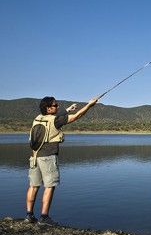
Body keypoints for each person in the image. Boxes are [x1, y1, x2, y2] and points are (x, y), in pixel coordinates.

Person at [24, 96, 99, 226]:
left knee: (33, 186)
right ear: (48, 108)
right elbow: (77, 116)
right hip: (48, 158)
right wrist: (89, 105)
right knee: (49, 187)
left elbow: (55, 115)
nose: (58, 107)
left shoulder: (37, 118)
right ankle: (44, 217)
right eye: (55, 105)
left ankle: (29, 216)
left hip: (34, 157)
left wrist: (68, 109)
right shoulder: (55, 121)